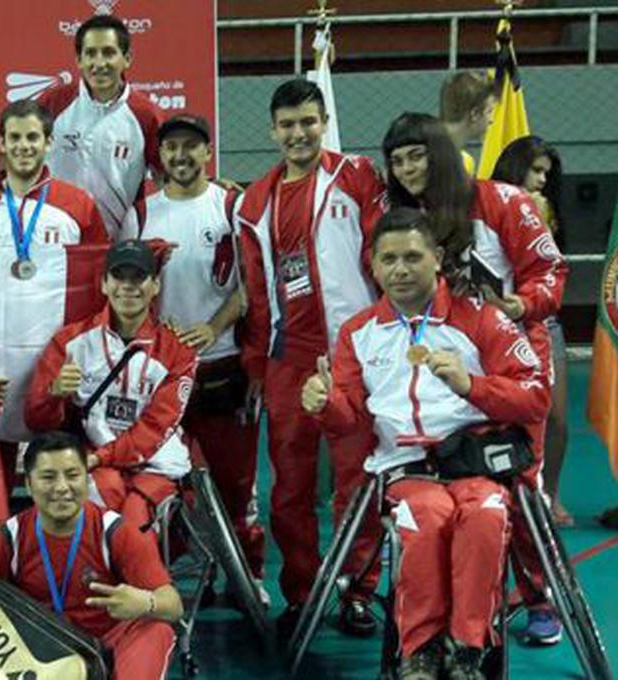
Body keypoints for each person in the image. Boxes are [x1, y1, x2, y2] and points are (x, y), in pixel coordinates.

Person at [301, 208, 549, 680]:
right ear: (371, 266)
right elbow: (349, 416)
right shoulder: (358, 332)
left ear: (436, 258)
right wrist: (324, 402)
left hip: (478, 464)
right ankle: (420, 650)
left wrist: (471, 386)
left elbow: (534, 397)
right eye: (388, 259)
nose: (400, 269)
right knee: (427, 518)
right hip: (406, 467)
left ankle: (468, 648)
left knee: (486, 515)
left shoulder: (481, 319)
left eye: (412, 257)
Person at [383, 113, 568, 646]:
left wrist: (518, 303)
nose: (407, 168)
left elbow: (550, 271)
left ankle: (539, 597)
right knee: (445, 481)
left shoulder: (502, 201)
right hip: (436, 367)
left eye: (417, 154)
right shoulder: (402, 217)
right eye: (397, 160)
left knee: (520, 482)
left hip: (510, 358)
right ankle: (445, 604)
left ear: (440, 153)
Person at [235, 78, 384, 635]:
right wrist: (256, 364)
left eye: (308, 122)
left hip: (354, 354)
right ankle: (301, 592)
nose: (298, 133)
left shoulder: (357, 177)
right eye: (288, 125)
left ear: (323, 122)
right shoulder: (254, 202)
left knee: (355, 477)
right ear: (273, 131)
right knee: (291, 486)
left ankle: (358, 589)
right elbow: (253, 287)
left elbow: (380, 255)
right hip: (287, 360)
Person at [140, 113, 266, 590]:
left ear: (208, 152)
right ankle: (167, 580)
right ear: (161, 156)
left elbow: (251, 285)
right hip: (163, 374)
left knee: (236, 487)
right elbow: (130, 286)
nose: (181, 155)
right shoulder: (142, 213)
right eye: (171, 147)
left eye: (191, 146)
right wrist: (156, 327)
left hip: (224, 367)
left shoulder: (232, 205)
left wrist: (213, 328)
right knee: (164, 481)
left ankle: (247, 576)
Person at [0, 431, 182, 680]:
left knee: (156, 629)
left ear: (87, 480)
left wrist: (146, 602)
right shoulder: (10, 538)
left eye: (73, 475)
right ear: (29, 485)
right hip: (37, 656)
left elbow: (173, 605)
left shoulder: (115, 532)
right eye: (48, 477)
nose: (62, 487)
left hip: (105, 649)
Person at [25, 240, 195, 528]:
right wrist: (54, 394)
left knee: (134, 518)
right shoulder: (70, 342)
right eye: (119, 277)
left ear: (155, 286)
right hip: (97, 467)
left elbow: (155, 428)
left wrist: (99, 458)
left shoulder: (178, 352)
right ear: (104, 284)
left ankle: (137, 573)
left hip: (155, 466)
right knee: (100, 502)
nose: (128, 286)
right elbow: (35, 420)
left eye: (138, 277)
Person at [492, 136, 571, 527]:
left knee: (556, 419)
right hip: (497, 325)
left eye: (546, 174)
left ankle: (548, 494)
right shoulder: (489, 204)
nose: (541, 179)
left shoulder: (545, 208)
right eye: (536, 170)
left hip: (541, 321)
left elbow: (550, 266)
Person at [38, 14, 162, 240]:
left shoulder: (145, 114)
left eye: (108, 52)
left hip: (116, 242)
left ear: (127, 58)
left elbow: (167, 176)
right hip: (55, 237)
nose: (99, 64)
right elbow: (21, 157)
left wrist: (207, 187)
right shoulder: (53, 102)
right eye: (91, 53)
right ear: (79, 60)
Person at [0, 99, 108, 246]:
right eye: (15, 137)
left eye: (32, 137)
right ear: (2, 144)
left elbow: (97, 270)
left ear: (48, 143)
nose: (23, 146)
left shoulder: (80, 205)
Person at [439, 70, 499, 176]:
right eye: (489, 111)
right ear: (475, 114)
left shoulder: (462, 160)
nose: (491, 120)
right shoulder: (462, 164)